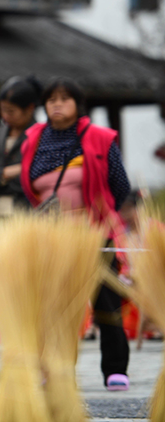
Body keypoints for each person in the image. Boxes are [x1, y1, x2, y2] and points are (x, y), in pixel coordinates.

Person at [19, 77, 131, 391]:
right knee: (54, 305)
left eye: (64, 98)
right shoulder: (34, 139)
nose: (56, 104)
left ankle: (114, 370)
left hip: (94, 234)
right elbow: (30, 188)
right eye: (51, 99)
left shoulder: (99, 138)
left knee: (106, 301)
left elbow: (119, 186)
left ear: (78, 105)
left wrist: (99, 217)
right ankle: (57, 368)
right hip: (51, 238)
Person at [0, 76, 41, 222]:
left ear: (29, 109)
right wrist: (12, 171)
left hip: (26, 216)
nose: (4, 116)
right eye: (2, 110)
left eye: (10, 111)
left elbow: (35, 180)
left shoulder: (41, 136)